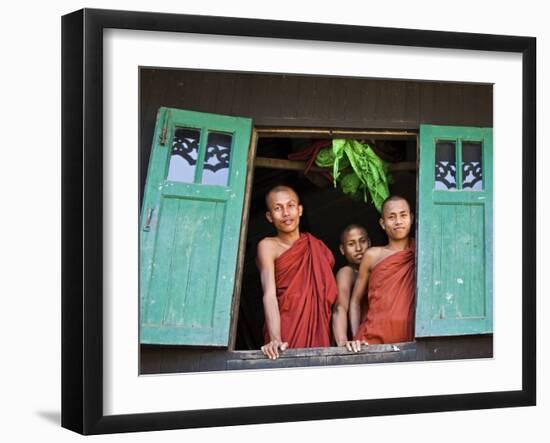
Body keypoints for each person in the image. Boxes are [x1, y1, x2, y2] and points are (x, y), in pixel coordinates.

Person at [256, 185, 338, 359]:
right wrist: (275, 338)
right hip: (286, 326)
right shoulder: (268, 246)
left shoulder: (317, 248)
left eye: (290, 205)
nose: (286, 213)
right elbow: (269, 294)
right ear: (270, 217)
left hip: (318, 326)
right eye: (278, 208)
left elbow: (332, 297)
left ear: (300, 210)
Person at [348, 195, 416, 350]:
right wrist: (355, 336)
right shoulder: (373, 255)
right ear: (383, 223)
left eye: (403, 215)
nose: (398, 221)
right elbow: (355, 301)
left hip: (412, 337)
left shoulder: (420, 251)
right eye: (391, 217)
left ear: (411, 218)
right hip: (372, 338)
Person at [332, 224, 370, 352]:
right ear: (342, 249)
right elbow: (340, 308)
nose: (358, 248)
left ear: (369, 243)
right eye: (351, 244)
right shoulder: (347, 272)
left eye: (362, 241)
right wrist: (342, 342)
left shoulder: (378, 269)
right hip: (357, 343)